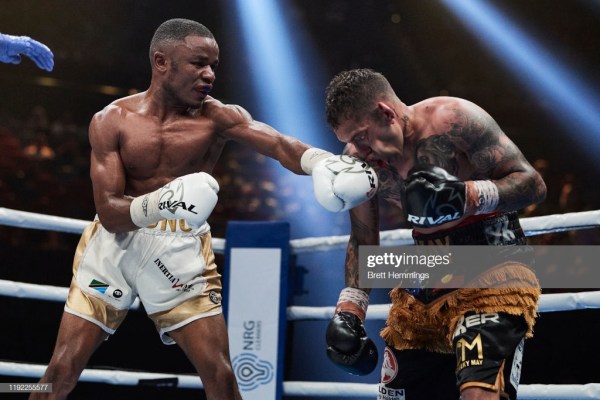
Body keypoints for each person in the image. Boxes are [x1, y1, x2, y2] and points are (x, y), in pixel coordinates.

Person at [30, 19, 376, 400]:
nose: (209, 74)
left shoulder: (217, 118)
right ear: (162, 62)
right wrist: (165, 201)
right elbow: (110, 213)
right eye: (198, 63)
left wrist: (321, 163)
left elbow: (279, 144)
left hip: (179, 250)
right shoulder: (112, 120)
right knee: (60, 371)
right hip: (113, 248)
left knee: (221, 376)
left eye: (213, 64)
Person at [323, 69, 547, 400]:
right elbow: (362, 236)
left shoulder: (453, 119)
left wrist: (468, 196)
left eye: (360, 136)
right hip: (426, 276)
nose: (359, 150)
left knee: (479, 394)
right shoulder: (358, 163)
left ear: (385, 113)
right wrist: (350, 309)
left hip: (493, 267)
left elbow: (533, 185)